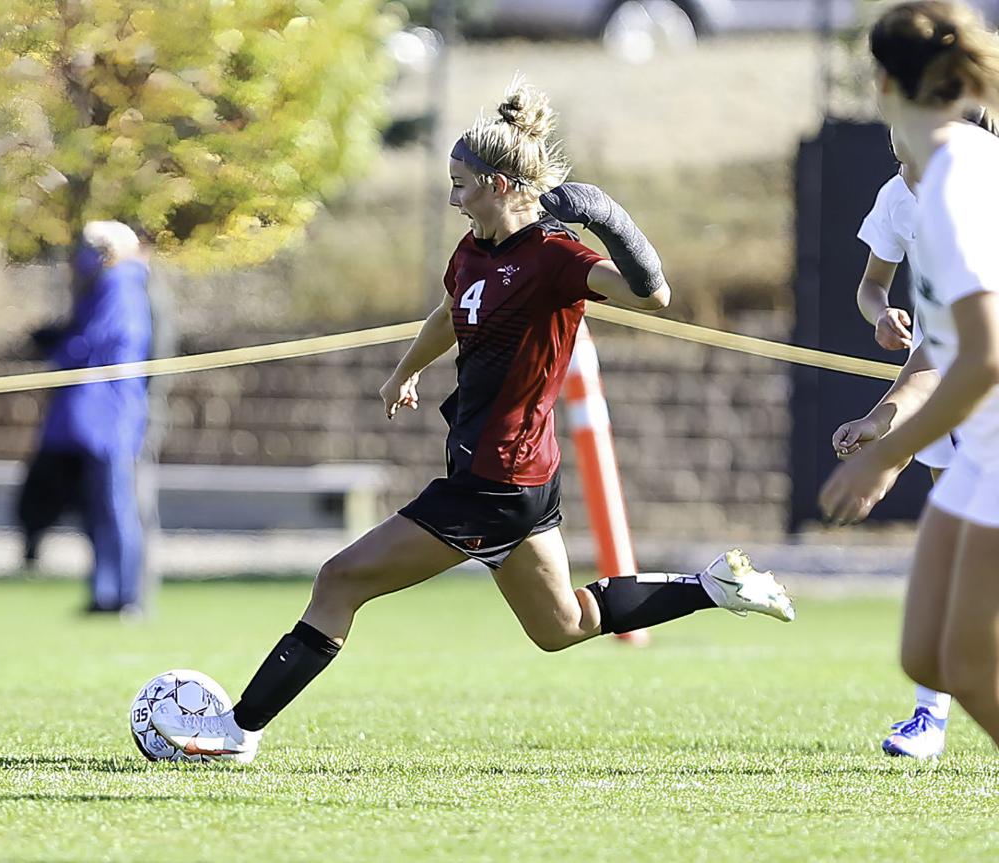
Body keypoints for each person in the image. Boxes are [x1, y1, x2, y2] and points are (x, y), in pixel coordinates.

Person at [149, 78, 795, 762]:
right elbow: (451, 311)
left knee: (340, 580)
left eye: (459, 185)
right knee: (563, 623)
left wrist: (606, 214)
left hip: (497, 479)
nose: (452, 198)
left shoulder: (556, 256)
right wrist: (407, 370)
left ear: (494, 182)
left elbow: (653, 294)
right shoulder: (474, 250)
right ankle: (714, 584)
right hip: (508, 475)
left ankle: (237, 728)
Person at [820, 1, 999, 750]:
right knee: (925, 653)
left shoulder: (959, 185)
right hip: (980, 446)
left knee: (964, 655)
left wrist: (886, 458)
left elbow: (985, 356)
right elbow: (939, 350)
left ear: (886, 83)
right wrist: (883, 425)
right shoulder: (930, 183)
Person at [16, 220, 153, 615]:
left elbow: (95, 344)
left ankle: (125, 596)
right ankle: (104, 592)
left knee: (115, 507)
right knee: (94, 512)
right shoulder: (102, 287)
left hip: (107, 417)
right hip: (88, 418)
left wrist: (58, 346)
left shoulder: (120, 284)